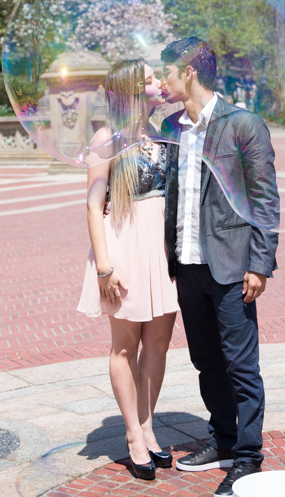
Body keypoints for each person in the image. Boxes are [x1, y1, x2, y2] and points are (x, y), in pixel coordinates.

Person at [159, 37, 280, 496]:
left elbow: (265, 199)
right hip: (187, 263)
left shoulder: (242, 124)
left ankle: (248, 457)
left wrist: (260, 264)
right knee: (206, 361)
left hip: (230, 265)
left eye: (167, 71)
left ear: (188, 72)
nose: (162, 80)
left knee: (240, 366)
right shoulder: (170, 126)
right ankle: (224, 440)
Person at [77, 59, 179, 481]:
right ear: (134, 90)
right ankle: (133, 435)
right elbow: (92, 205)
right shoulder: (106, 138)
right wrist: (104, 267)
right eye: (152, 79)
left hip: (161, 248)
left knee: (158, 344)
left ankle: (149, 426)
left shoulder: (162, 132)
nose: (160, 82)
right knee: (125, 345)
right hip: (123, 247)